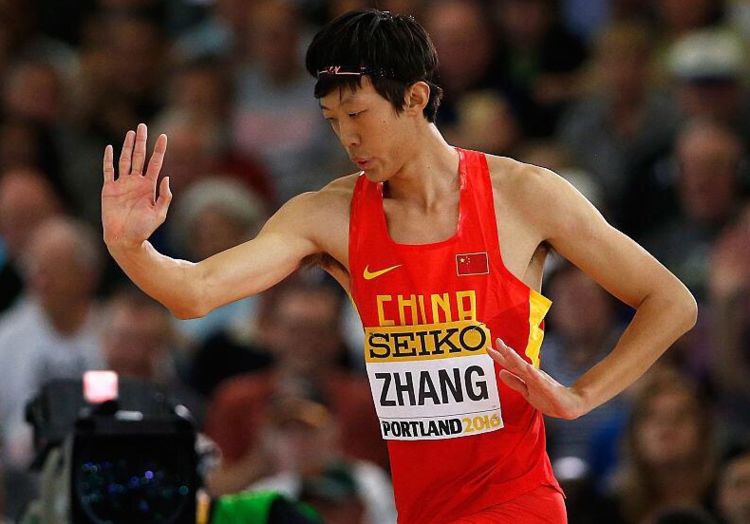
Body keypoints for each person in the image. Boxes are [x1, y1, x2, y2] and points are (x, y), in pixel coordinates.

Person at [101, 9, 697, 523]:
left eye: (358, 115)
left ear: (414, 98)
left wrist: (580, 396)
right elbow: (195, 293)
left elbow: (671, 302)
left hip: (516, 501)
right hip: (418, 508)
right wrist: (131, 247)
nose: (347, 138)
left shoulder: (525, 195)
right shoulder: (328, 215)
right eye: (333, 122)